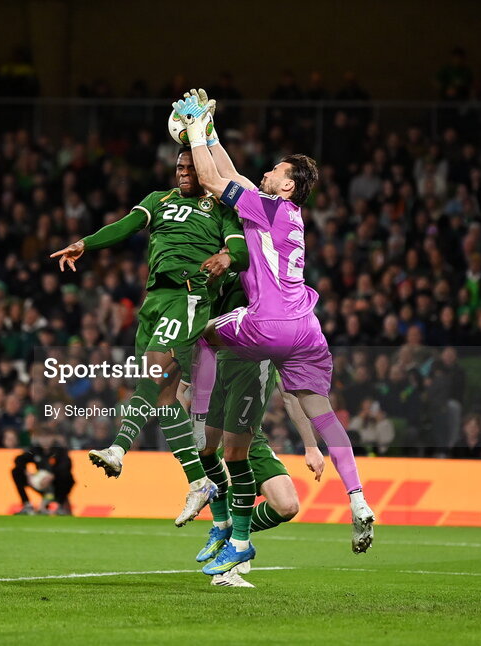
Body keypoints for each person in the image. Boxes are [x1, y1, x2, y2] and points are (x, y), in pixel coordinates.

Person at [174, 89, 375, 575]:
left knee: (198, 335)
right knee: (322, 414)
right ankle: (359, 498)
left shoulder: (266, 208)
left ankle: (197, 431)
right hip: (307, 328)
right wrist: (213, 131)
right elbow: (231, 174)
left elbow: (207, 177)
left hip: (267, 323)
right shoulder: (288, 213)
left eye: (276, 171)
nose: (266, 172)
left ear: (286, 186)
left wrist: (196, 129)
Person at [50, 146, 248, 526]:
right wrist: (85, 244)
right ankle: (199, 482)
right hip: (155, 299)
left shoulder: (219, 209)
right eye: (180, 166)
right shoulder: (157, 200)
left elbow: (240, 251)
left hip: (189, 294)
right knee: (162, 397)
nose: (184, 172)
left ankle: (118, 448)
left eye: (191, 167)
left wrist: (226, 257)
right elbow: (125, 225)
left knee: (153, 372)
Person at [185, 265, 324, 586]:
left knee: (287, 506)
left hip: (252, 438)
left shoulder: (269, 336)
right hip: (218, 435)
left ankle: (231, 533)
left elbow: (291, 395)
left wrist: (311, 445)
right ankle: (227, 570)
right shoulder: (211, 339)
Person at [11, 431, 74, 516]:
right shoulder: (35, 450)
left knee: (67, 477)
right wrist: (27, 472)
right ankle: (27, 505)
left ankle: (59, 506)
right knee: (16, 471)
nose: (45, 440)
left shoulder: (59, 451)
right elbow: (19, 459)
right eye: (42, 437)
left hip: (55, 484)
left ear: (53, 437)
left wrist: (52, 475)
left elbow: (67, 465)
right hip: (39, 482)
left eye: (47, 437)